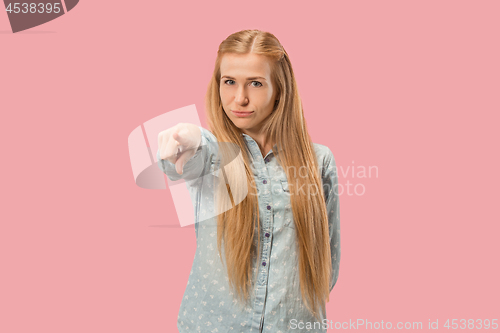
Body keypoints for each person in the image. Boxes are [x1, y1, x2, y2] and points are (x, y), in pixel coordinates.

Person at [157, 29, 340, 333]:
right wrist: (184, 141)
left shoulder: (319, 161)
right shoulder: (216, 154)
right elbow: (186, 162)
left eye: (255, 83)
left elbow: (327, 264)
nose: (239, 98)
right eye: (229, 82)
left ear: (279, 89)